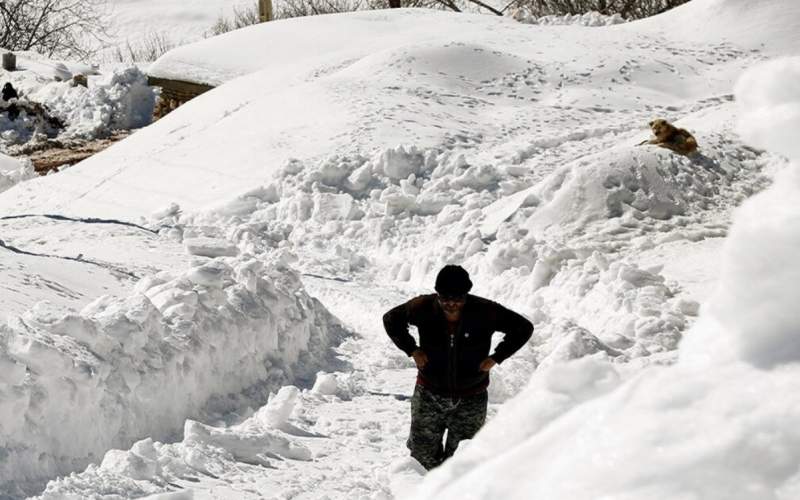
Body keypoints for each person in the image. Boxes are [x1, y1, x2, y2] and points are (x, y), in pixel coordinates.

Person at [383, 264, 533, 470]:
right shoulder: (423, 307)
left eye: (458, 299)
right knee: (422, 458)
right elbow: (391, 319)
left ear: (466, 295)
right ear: (437, 294)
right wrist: (413, 350)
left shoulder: (485, 311)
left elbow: (523, 328)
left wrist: (497, 357)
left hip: (471, 397)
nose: (451, 304)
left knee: (462, 462)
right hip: (429, 394)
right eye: (445, 298)